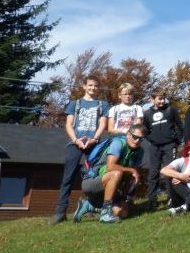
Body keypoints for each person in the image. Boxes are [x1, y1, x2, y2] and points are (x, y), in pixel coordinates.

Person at [53, 77, 109, 225]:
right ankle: (60, 212)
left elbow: (102, 124)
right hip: (75, 144)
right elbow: (69, 124)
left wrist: (94, 139)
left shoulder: (102, 104)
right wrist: (76, 140)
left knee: (95, 175)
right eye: (90, 85)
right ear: (84, 86)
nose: (93, 88)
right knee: (68, 177)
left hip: (93, 145)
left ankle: (94, 206)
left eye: (96, 86)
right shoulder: (74, 104)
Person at [76, 125, 146, 223]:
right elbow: (110, 166)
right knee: (116, 173)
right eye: (135, 137)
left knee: (121, 213)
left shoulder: (140, 151)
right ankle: (105, 214)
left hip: (111, 187)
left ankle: (89, 205)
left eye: (141, 139)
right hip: (91, 181)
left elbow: (130, 177)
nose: (137, 141)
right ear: (128, 135)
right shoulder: (118, 143)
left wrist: (124, 198)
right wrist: (132, 170)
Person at [142, 89, 182, 210]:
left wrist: (177, 141)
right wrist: (151, 140)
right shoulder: (147, 113)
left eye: (163, 98)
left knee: (170, 172)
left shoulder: (171, 109)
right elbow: (145, 130)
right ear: (152, 99)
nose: (162, 101)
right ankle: (152, 199)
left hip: (170, 145)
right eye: (159, 98)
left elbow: (179, 125)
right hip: (154, 147)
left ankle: (172, 197)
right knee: (153, 173)